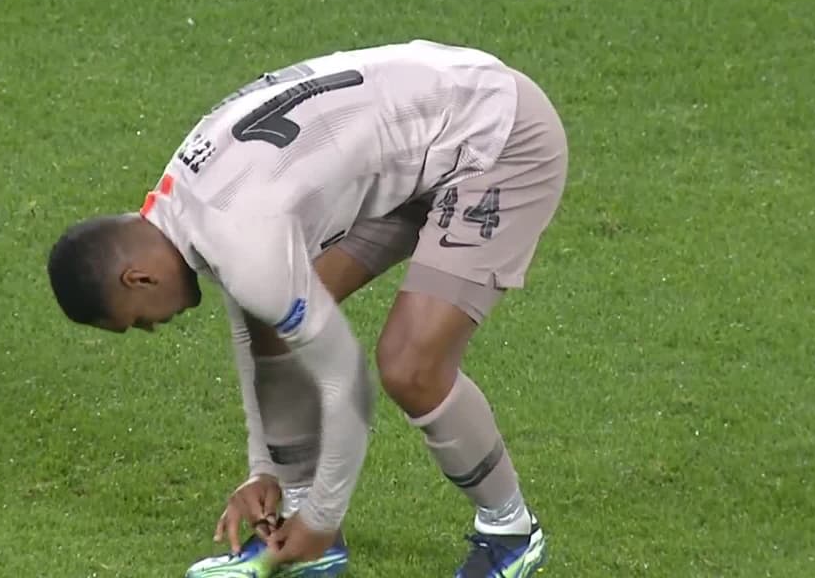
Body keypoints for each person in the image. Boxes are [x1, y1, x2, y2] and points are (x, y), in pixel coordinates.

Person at [46, 40, 568, 577]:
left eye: (136, 321)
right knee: (271, 323)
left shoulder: (240, 238)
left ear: (138, 279)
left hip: (497, 139)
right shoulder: (183, 204)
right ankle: (298, 529)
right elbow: (256, 321)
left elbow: (346, 382)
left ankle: (511, 532)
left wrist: (325, 513)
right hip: (422, 133)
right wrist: (265, 470)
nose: (153, 328)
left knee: (411, 365)